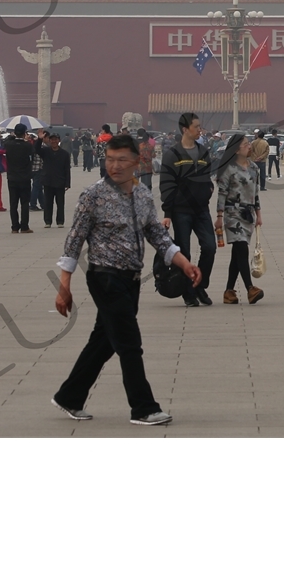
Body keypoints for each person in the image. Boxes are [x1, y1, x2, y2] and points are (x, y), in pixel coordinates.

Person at [51, 132, 201, 423]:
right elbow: (73, 241)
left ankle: (69, 396)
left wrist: (184, 263)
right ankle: (144, 407)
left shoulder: (143, 195)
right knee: (129, 343)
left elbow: (157, 234)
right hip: (104, 278)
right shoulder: (93, 195)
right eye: (109, 159)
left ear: (137, 161)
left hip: (131, 279)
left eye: (122, 160)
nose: (115, 166)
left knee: (104, 341)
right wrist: (64, 286)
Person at [159, 111, 216, 307]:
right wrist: (167, 214)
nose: (200, 130)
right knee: (185, 252)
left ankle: (200, 285)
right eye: (196, 127)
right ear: (185, 129)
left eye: (200, 126)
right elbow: (166, 185)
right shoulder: (172, 155)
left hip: (201, 210)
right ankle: (188, 293)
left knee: (210, 247)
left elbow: (208, 177)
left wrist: (209, 190)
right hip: (180, 211)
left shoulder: (204, 152)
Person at [213, 133, 265, 305]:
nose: (249, 146)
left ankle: (229, 291)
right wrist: (219, 216)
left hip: (248, 214)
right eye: (245, 144)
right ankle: (250, 288)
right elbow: (222, 194)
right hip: (232, 213)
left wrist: (258, 214)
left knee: (237, 254)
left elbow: (255, 193)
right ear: (236, 150)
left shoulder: (254, 168)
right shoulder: (228, 169)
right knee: (242, 248)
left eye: (249, 143)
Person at [4, 123, 37, 234]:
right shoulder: (28, 145)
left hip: (12, 177)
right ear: (24, 133)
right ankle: (24, 227)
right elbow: (33, 155)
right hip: (24, 177)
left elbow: (7, 144)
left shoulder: (8, 144)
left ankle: (14, 227)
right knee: (24, 203)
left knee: (13, 203)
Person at [41, 132, 73, 226]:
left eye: (56, 139)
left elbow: (67, 169)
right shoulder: (46, 151)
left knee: (60, 203)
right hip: (48, 181)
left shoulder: (64, 154)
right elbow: (36, 149)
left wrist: (67, 183)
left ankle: (60, 221)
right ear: (49, 140)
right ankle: (48, 221)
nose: (54, 141)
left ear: (59, 140)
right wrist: (40, 139)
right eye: (52, 139)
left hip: (60, 181)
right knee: (48, 203)